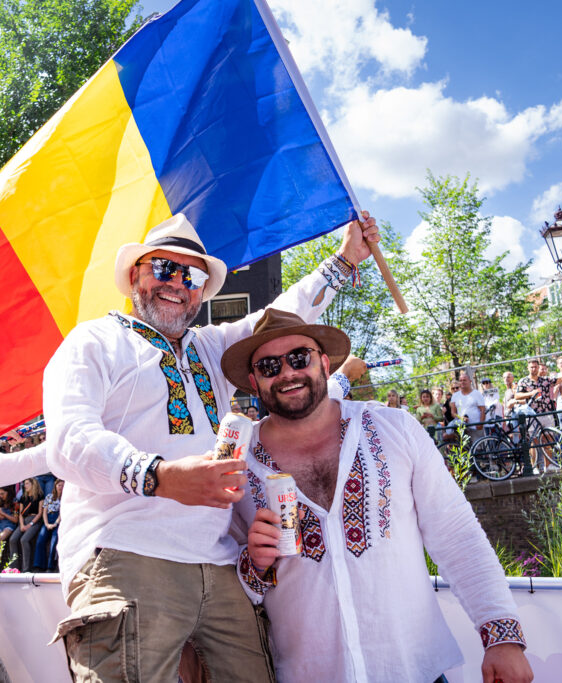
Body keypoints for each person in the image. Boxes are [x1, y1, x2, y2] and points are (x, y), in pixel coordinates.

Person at [43, 211, 380, 681]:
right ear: (135, 274)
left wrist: (345, 260)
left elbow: (281, 318)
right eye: (164, 268)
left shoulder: (209, 347)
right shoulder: (93, 341)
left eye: (193, 275)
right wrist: (160, 477)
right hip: (125, 551)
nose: (178, 283)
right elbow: (67, 440)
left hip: (220, 562)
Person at [222, 309, 532, 683]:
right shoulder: (233, 464)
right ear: (254, 382)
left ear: (323, 363)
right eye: (269, 366)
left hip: (413, 671)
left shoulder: (393, 428)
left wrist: (502, 636)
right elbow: (226, 585)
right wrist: (254, 564)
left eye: (299, 358)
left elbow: (456, 534)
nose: (287, 373)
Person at [9, 478, 44, 573]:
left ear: (33, 484)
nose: (25, 486)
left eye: (27, 483)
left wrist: (30, 524)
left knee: (24, 540)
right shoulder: (23, 497)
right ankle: (13, 567)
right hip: (23, 520)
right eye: (25, 484)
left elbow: (40, 513)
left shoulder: (40, 496)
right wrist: (21, 525)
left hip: (35, 520)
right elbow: (20, 513)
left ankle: (26, 569)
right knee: (12, 539)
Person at [34, 479, 63, 572]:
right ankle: (39, 565)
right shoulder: (49, 497)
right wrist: (46, 524)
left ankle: (50, 567)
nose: (61, 488)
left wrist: (55, 524)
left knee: (54, 541)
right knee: (40, 541)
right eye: (59, 485)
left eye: (63, 486)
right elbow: (44, 512)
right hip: (48, 519)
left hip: (58, 519)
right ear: (55, 486)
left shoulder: (65, 499)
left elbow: (62, 513)